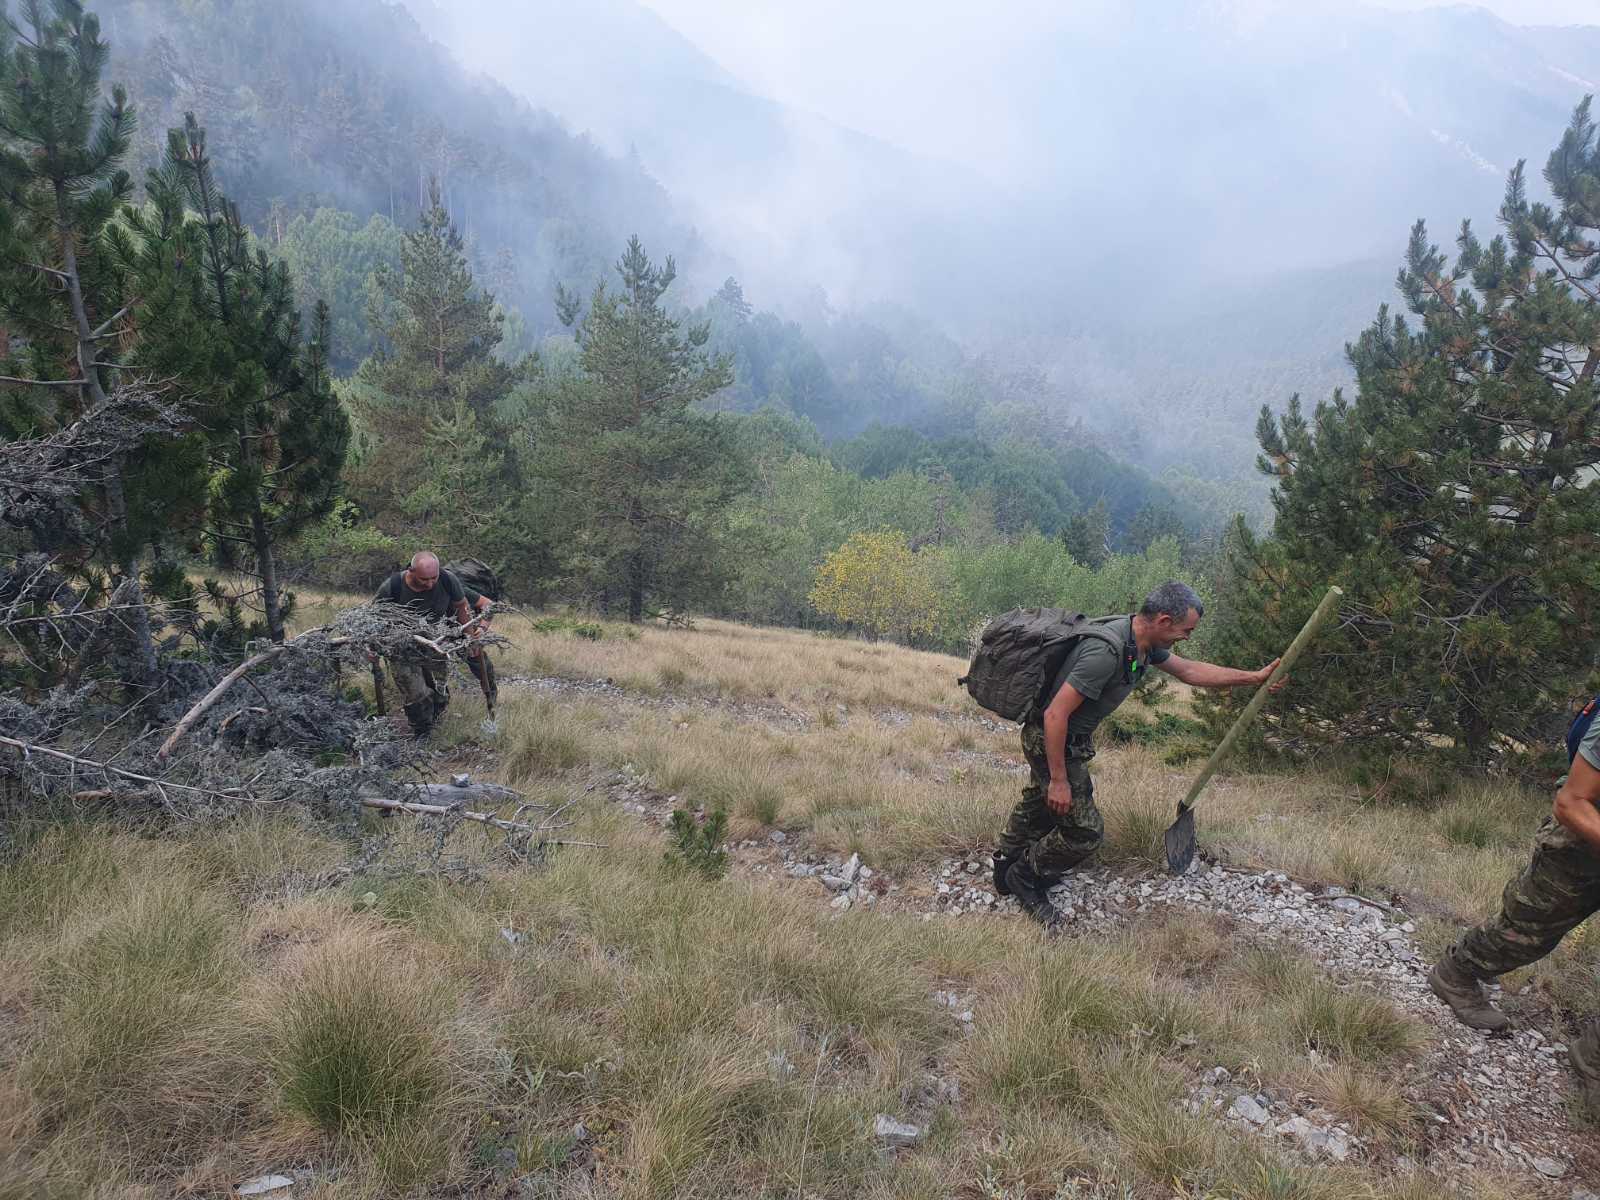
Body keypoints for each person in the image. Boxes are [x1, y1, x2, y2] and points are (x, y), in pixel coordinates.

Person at [995, 581, 1283, 929]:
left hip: (1067, 739)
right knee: (1083, 831)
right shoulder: (1107, 652)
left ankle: (1005, 863)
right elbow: (1055, 715)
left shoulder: (1142, 643)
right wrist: (1058, 779)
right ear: (1163, 621)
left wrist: (1253, 678)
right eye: (1185, 631)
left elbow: (1190, 671)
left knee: (1038, 802)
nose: (1186, 638)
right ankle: (1024, 877)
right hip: (1052, 739)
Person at [1428, 722, 1600, 1110]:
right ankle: (1456, 973)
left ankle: (1594, 1059)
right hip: (1581, 846)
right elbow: (1571, 802)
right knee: (1528, 932)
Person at [371, 551, 478, 737]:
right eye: (424, 579)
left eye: (433, 578)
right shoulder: (392, 586)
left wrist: (470, 638)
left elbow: (462, 607)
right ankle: (421, 733)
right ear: (411, 571)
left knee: (440, 693)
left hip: (435, 642)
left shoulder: (447, 580)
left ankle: (435, 723)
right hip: (401, 647)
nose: (430, 584)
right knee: (416, 695)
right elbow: (374, 620)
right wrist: (372, 647)